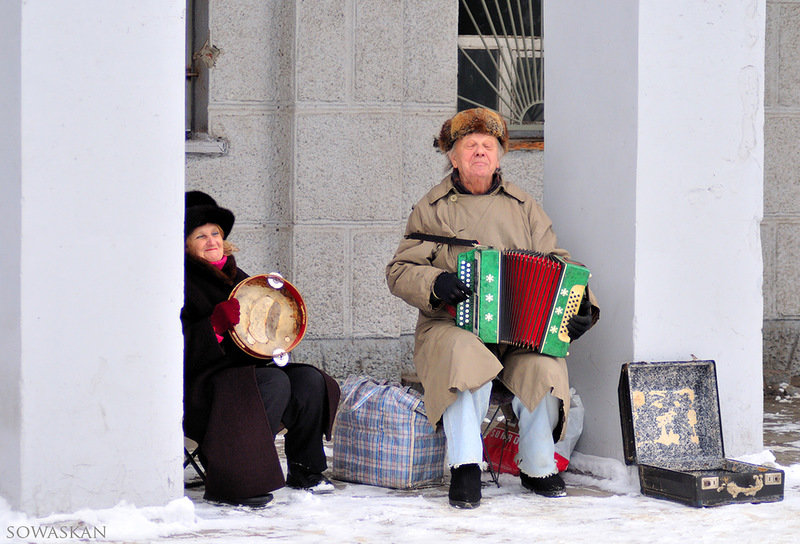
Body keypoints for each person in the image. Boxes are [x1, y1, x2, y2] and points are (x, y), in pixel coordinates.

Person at [386, 108, 599, 509]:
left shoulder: (524, 206)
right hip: (451, 326)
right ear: (453, 156)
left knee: (546, 367)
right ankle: (465, 466)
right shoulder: (432, 207)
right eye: (470, 146)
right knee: (467, 360)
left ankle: (538, 465)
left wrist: (581, 302)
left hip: (515, 334)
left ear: (500, 156)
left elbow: (557, 261)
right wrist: (435, 283)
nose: (480, 153)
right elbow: (399, 270)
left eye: (488, 146)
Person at [181, 190, 341, 507]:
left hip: (243, 375)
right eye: (201, 236)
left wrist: (275, 341)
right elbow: (173, 351)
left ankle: (305, 468)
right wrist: (213, 327)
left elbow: (257, 334)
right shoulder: (178, 282)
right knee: (272, 382)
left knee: (308, 380)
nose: (212, 241)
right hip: (203, 387)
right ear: (185, 244)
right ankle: (237, 474)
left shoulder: (241, 279)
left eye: (215, 233)